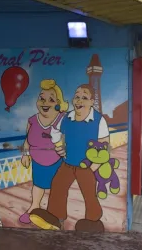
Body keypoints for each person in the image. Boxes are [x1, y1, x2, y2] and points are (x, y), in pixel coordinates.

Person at [29, 84, 110, 232]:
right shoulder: (67, 117)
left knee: (88, 192)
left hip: (86, 165)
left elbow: (105, 144)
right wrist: (59, 146)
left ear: (92, 101)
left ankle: (93, 221)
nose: (79, 100)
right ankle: (55, 218)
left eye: (84, 97)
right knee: (58, 186)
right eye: (77, 96)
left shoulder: (99, 120)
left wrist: (94, 166)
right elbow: (56, 132)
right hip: (67, 163)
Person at [19, 79, 69, 224]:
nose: (45, 102)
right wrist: (26, 154)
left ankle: (55, 214)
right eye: (42, 98)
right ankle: (33, 208)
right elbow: (27, 140)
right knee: (38, 186)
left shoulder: (63, 119)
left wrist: (65, 148)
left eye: (51, 100)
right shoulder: (32, 121)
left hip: (57, 160)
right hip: (37, 160)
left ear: (58, 103)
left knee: (57, 188)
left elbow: (70, 138)